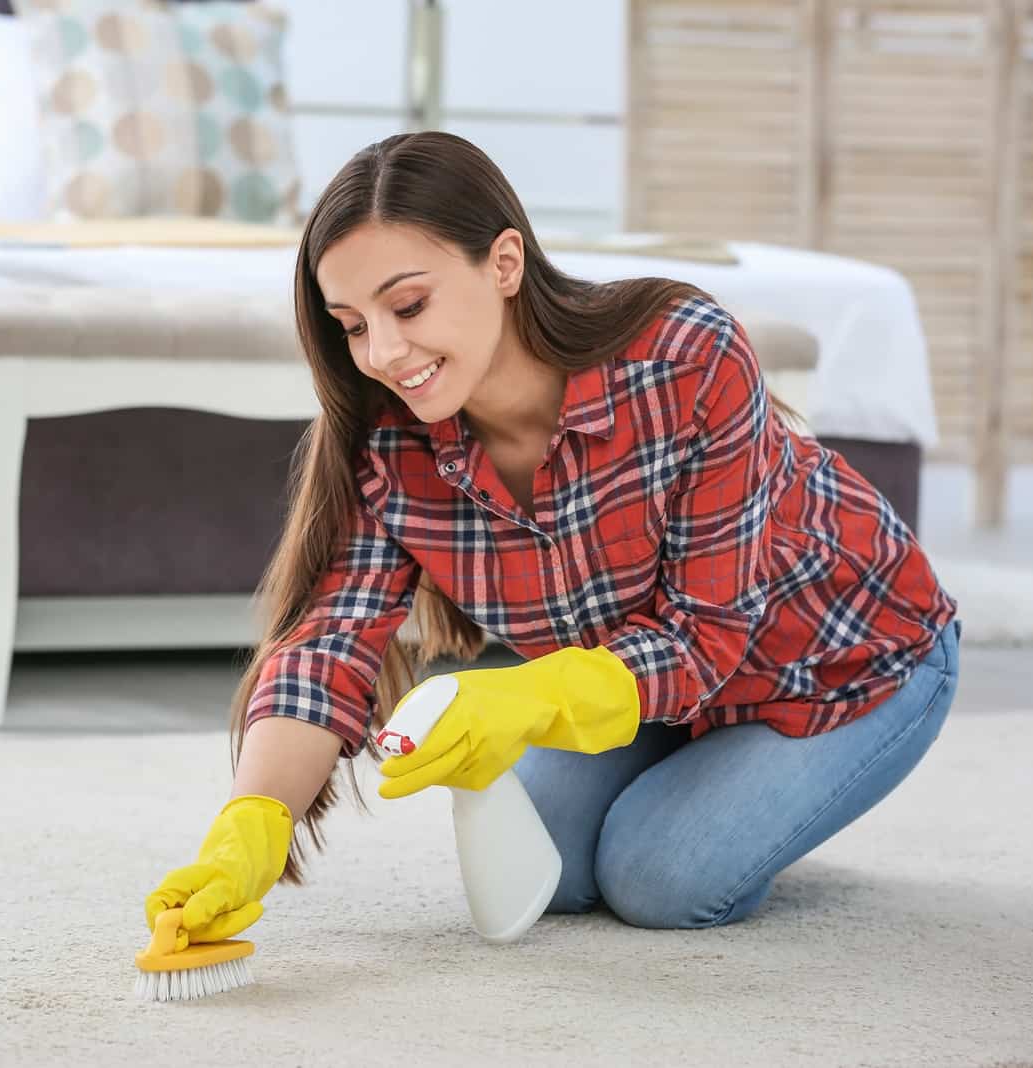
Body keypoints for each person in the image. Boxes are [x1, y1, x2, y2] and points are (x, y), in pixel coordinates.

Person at [144, 131, 959, 945]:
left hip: (846, 660)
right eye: (352, 325)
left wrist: (529, 697)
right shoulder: (389, 439)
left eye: (410, 305)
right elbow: (331, 641)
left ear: (504, 264)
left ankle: (773, 796)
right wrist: (251, 825)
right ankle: (718, 789)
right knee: (552, 876)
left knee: (657, 879)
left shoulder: (684, 352)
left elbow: (710, 638)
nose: (384, 353)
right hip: (647, 689)